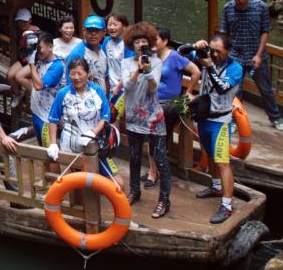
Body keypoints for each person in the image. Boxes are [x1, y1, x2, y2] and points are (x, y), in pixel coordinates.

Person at [179, 34, 243, 224]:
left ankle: (227, 206)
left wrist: (207, 64)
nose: (214, 54)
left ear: (228, 50)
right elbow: (180, 52)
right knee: (210, 154)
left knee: (223, 161)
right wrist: (194, 45)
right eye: (211, 50)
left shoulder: (235, 68)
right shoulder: (205, 56)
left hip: (221, 121)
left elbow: (222, 88)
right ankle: (216, 187)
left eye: (218, 51)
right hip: (204, 117)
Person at [222, 0, 283, 132]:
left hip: (257, 54)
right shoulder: (228, 8)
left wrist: (258, 54)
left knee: (265, 89)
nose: (240, 1)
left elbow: (265, 32)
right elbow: (225, 33)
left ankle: (275, 118)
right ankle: (234, 120)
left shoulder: (261, 7)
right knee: (235, 90)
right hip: (236, 54)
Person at [47, 58, 124, 187]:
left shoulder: (97, 91)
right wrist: (53, 144)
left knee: (118, 184)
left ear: (87, 74)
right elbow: (53, 119)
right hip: (69, 146)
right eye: (72, 73)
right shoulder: (63, 93)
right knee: (76, 187)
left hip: (95, 146)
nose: (76, 77)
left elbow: (106, 115)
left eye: (80, 73)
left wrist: (93, 132)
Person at [120, 21, 171, 218]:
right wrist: (137, 70)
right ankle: (134, 191)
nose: (140, 44)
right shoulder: (126, 63)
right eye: (137, 41)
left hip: (153, 119)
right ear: (131, 44)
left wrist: (148, 70)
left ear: (149, 43)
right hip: (133, 117)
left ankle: (164, 200)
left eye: (144, 41)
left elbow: (154, 87)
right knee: (133, 156)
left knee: (160, 159)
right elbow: (127, 86)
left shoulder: (156, 61)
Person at [141, 27, 201, 188]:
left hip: (168, 105)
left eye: (156, 39)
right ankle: (152, 170)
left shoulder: (174, 57)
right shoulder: (151, 57)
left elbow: (196, 72)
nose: (152, 43)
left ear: (165, 41)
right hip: (151, 102)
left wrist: (188, 92)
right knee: (151, 137)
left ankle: (154, 173)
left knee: (158, 139)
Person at [21, 31, 65, 146]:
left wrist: (31, 63)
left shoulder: (57, 66)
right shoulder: (40, 59)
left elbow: (39, 85)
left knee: (49, 155)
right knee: (42, 151)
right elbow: (20, 75)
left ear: (50, 47)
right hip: (37, 112)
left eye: (39, 47)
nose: (36, 51)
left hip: (47, 118)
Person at [65, 15, 109, 97]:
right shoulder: (78, 53)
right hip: (85, 102)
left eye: (97, 31)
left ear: (104, 32)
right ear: (84, 31)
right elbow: (70, 81)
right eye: (90, 30)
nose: (93, 34)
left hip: (101, 99)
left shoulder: (102, 50)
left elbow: (105, 77)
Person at [7, 8, 40, 108]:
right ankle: (18, 94)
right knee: (9, 75)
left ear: (29, 20)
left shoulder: (36, 32)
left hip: (34, 61)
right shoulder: (20, 31)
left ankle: (36, 96)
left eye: (24, 21)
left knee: (18, 76)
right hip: (24, 59)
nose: (22, 24)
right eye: (20, 22)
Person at [102, 13, 134, 103]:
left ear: (124, 26)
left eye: (115, 24)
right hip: (111, 86)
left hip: (124, 89)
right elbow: (104, 65)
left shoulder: (128, 44)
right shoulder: (106, 41)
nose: (112, 27)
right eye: (109, 24)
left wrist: (119, 87)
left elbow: (130, 70)